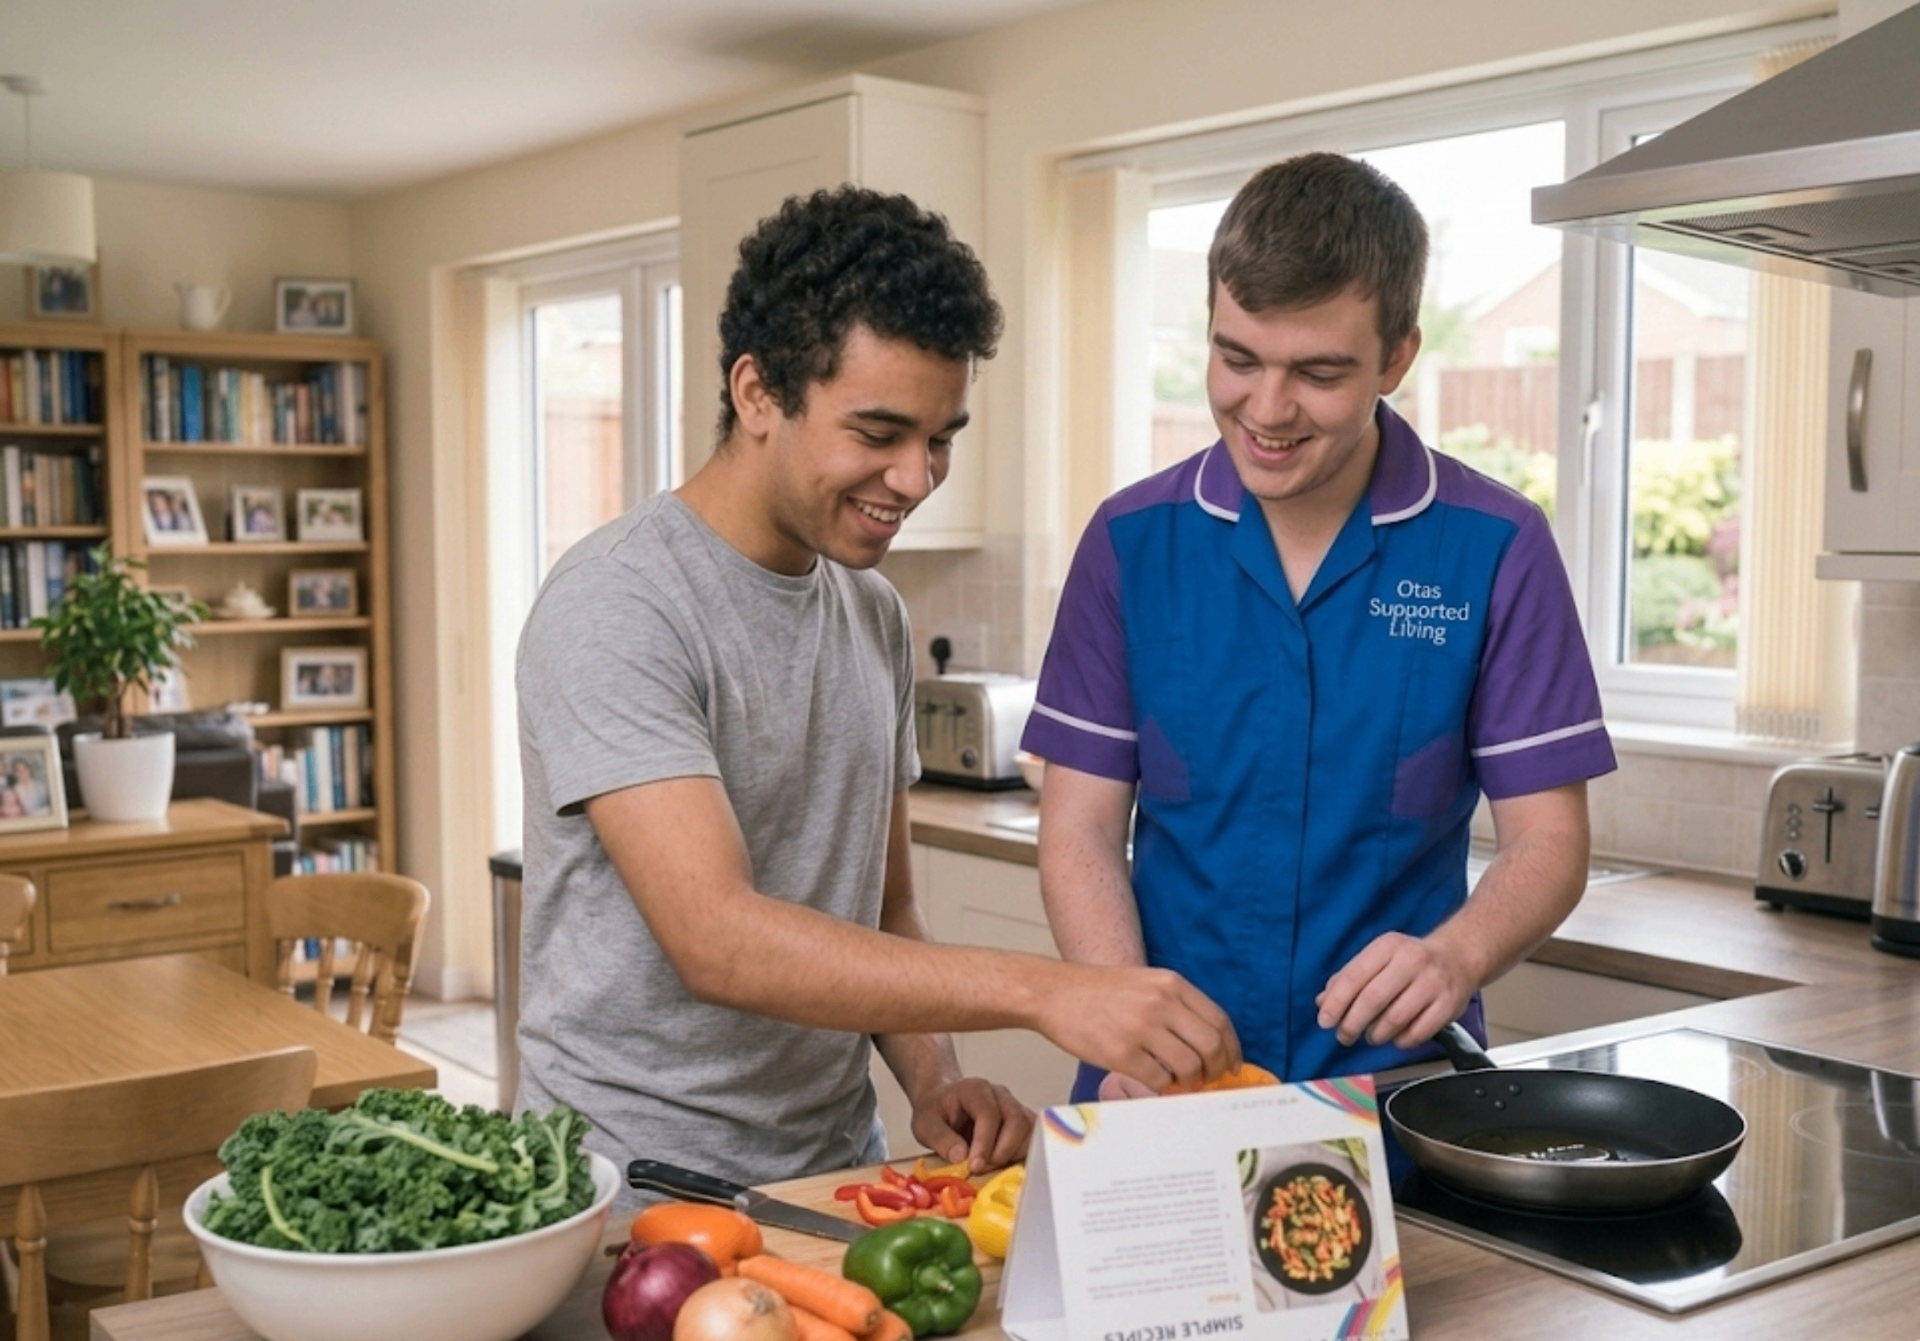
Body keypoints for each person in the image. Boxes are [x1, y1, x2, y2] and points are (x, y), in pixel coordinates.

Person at [516, 185, 1238, 1210]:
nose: (916, 476)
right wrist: (1045, 992)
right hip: (632, 1191)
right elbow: (717, 937)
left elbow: (882, 905)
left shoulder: (871, 611)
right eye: (881, 431)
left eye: (941, 436)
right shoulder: (619, 605)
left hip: (836, 1172)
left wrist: (934, 1078)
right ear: (759, 393)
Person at [1022, 152, 1617, 1106]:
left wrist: (1455, 956)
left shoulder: (1495, 547)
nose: (1265, 410)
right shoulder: (1130, 543)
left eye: (1319, 372)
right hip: (1160, 1080)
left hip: (1395, 1091)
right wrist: (1124, 1017)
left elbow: (1549, 839)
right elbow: (1081, 828)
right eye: (1237, 358)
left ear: (1397, 357)